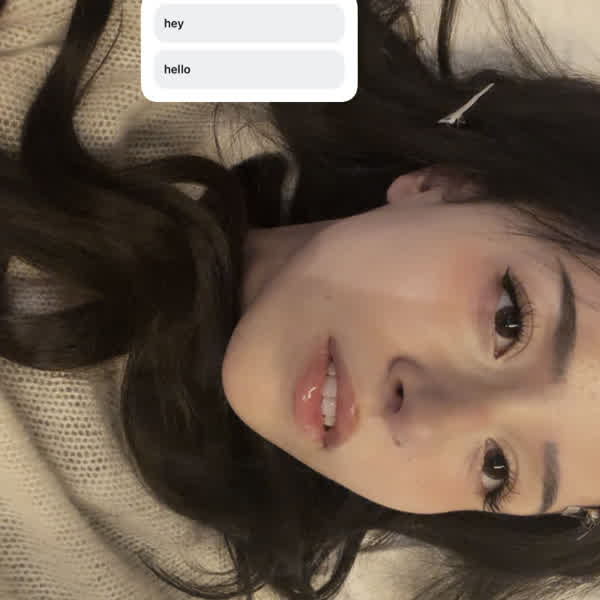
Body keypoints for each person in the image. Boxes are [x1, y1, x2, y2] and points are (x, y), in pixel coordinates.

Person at [2, 0, 600, 599]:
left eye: (498, 469)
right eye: (509, 321)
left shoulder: (120, 573)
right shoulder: (286, 43)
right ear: (448, 185)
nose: (424, 420)